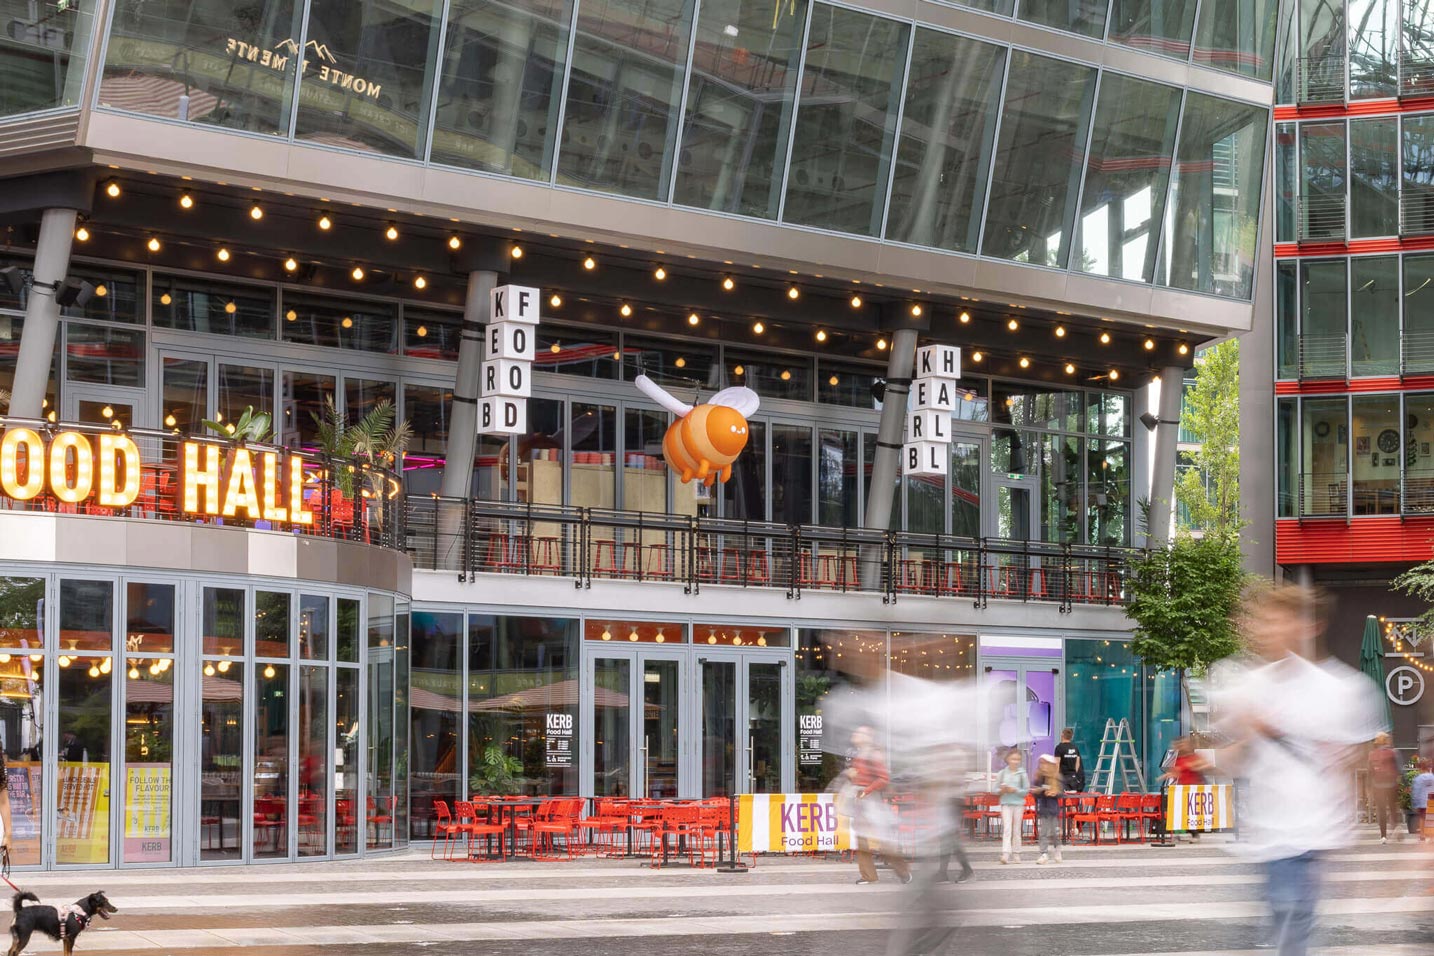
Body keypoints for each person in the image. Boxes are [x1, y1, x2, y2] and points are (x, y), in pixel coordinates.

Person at [1211, 585, 1385, 956]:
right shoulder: (1250, 684)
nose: (1264, 630)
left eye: (1276, 622)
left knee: (1292, 933)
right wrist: (1214, 757)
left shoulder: (1343, 690)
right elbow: (1240, 757)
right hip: (1265, 840)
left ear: (1308, 627)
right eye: (1263, 622)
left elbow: (1359, 761)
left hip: (1309, 836)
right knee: (1279, 930)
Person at [848, 725, 911, 885]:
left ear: (868, 737)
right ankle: (868, 876)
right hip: (861, 800)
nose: (855, 734)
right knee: (861, 839)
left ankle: (903, 871)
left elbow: (883, 778)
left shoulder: (873, 755)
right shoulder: (858, 755)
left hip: (870, 800)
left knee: (882, 839)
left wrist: (866, 790)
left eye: (860, 732)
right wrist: (852, 778)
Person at [994, 748, 1029, 865]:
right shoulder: (1002, 773)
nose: (1015, 761)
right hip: (1006, 803)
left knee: (1017, 829)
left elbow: (1025, 791)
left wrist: (1015, 790)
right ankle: (1005, 853)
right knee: (1007, 828)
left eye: (1018, 759)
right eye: (1013, 759)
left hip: (1018, 804)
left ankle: (1017, 853)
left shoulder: (1022, 773)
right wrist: (1002, 790)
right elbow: (995, 790)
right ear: (1008, 759)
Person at [1368, 733, 1401, 844]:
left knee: (1381, 810)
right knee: (1392, 808)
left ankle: (1383, 836)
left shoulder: (1372, 754)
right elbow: (1399, 769)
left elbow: (1370, 772)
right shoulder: (1393, 752)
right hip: (1391, 785)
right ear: (1386, 741)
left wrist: (1370, 787)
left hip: (1378, 786)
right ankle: (1395, 827)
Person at [1034, 754, 1064, 864]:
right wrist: (1037, 792)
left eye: (1045, 764)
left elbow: (1061, 793)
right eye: (1041, 764)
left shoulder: (1056, 777)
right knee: (1043, 833)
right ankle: (1044, 853)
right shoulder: (1039, 778)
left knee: (1054, 833)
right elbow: (1036, 793)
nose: (1043, 766)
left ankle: (1057, 850)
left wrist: (1055, 793)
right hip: (1043, 809)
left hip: (1053, 810)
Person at [1412, 763, 1434, 842]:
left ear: (1420, 768)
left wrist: (1415, 802)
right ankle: (1432, 836)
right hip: (1431, 802)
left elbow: (1416, 791)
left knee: (1422, 818)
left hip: (1422, 802)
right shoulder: (1432, 777)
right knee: (1432, 819)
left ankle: (1422, 835)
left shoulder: (1418, 779)